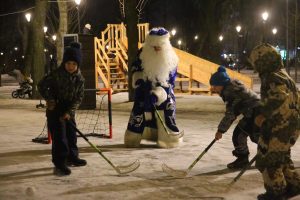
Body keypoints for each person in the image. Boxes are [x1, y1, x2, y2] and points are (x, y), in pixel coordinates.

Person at [250, 43, 300, 200]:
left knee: (268, 161)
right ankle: (294, 185)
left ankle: (276, 192)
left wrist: (263, 115)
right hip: (291, 125)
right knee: (282, 157)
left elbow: (279, 97)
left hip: (280, 127)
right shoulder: (283, 74)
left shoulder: (272, 76)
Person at [124, 27, 183, 148]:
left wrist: (157, 94)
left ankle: (168, 139)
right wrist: (139, 80)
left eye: (159, 47)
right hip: (144, 89)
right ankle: (133, 136)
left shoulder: (171, 59)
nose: (156, 49)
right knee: (139, 110)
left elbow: (169, 82)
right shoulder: (142, 54)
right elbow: (135, 69)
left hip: (164, 92)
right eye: (154, 47)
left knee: (167, 108)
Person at [38, 42, 86, 176]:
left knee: (71, 135)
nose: (71, 66)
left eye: (74, 64)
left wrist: (69, 112)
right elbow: (41, 85)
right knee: (60, 137)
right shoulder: (56, 74)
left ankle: (72, 157)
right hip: (55, 109)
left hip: (69, 109)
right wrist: (50, 100)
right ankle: (60, 162)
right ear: (64, 63)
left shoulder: (80, 79)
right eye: (68, 63)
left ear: (78, 65)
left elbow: (79, 97)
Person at [210, 66, 261, 169]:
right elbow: (235, 111)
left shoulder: (231, 92)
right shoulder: (232, 87)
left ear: (221, 84)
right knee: (240, 135)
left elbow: (231, 114)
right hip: (252, 112)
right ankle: (243, 158)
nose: (213, 88)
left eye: (215, 86)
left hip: (256, 112)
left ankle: (274, 154)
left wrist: (220, 131)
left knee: (255, 137)